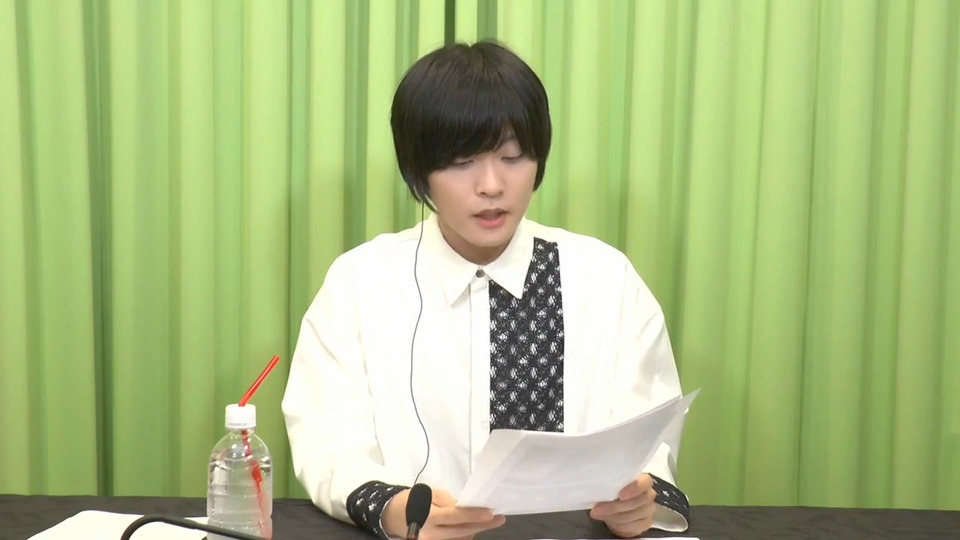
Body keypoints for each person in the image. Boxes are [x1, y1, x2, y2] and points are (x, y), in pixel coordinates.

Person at [281, 40, 691, 539]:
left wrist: (641, 501)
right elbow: (329, 440)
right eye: (461, 162)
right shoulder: (360, 283)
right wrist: (393, 509)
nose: (492, 185)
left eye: (512, 157)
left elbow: (649, 436)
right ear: (419, 171)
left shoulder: (605, 279)